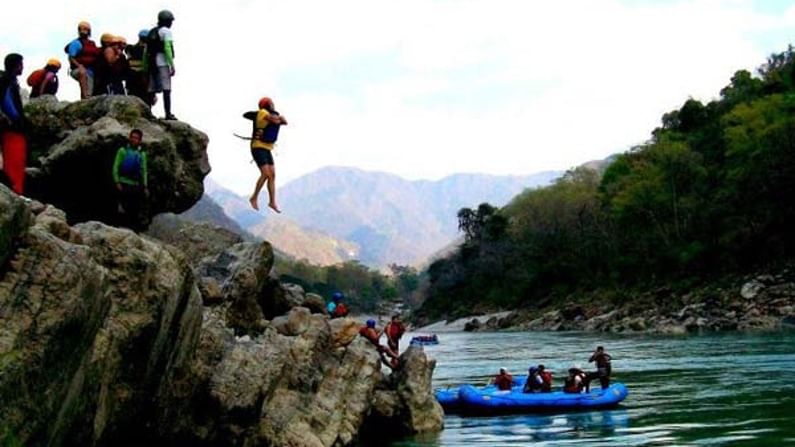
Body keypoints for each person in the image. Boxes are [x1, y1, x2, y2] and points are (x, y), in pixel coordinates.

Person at [245, 96, 288, 212]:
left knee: (272, 175)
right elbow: (275, 120)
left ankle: (272, 202)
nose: (273, 104)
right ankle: (253, 198)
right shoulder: (262, 113)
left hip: (267, 148)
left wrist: (280, 119)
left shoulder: (272, 114)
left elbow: (285, 122)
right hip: (258, 147)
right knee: (266, 173)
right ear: (267, 104)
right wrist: (279, 119)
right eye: (271, 103)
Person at [0, 54, 28, 195]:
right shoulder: (7, 80)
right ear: (16, 65)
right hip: (13, 130)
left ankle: (15, 191)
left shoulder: (9, 80)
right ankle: (15, 192)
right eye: (21, 64)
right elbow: (6, 102)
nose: (22, 67)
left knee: (15, 161)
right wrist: (16, 120)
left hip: (11, 129)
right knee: (14, 161)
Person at [112, 129, 149, 231]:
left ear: (140, 140)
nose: (133, 140)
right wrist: (117, 181)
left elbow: (144, 170)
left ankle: (133, 229)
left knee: (135, 209)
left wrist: (145, 186)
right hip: (123, 183)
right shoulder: (122, 151)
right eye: (132, 137)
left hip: (135, 185)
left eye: (136, 138)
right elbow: (115, 166)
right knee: (120, 208)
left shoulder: (141, 154)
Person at [144, 10, 177, 120]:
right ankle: (168, 113)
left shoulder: (152, 31)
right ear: (167, 21)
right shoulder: (166, 31)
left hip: (152, 63)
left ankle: (148, 112)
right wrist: (171, 64)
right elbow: (167, 48)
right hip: (163, 63)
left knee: (151, 89)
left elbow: (146, 51)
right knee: (166, 89)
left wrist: (145, 67)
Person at [65, 21, 100, 99]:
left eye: (85, 29)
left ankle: (86, 98)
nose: (83, 31)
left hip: (91, 70)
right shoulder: (76, 43)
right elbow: (71, 57)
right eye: (81, 29)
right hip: (78, 69)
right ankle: (85, 97)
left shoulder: (92, 43)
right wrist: (79, 66)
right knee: (83, 75)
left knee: (90, 89)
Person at [126, 30, 151, 104]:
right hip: (143, 78)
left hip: (132, 78)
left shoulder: (130, 49)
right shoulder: (148, 51)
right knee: (145, 100)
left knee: (132, 100)